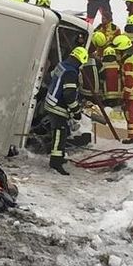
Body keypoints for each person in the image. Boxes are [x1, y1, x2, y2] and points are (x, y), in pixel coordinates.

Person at [44, 47, 88, 175]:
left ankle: (59, 157)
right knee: (60, 133)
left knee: (62, 132)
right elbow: (69, 95)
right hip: (58, 107)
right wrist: (76, 111)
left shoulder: (62, 65)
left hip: (51, 102)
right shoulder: (71, 73)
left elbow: (48, 78)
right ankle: (55, 162)